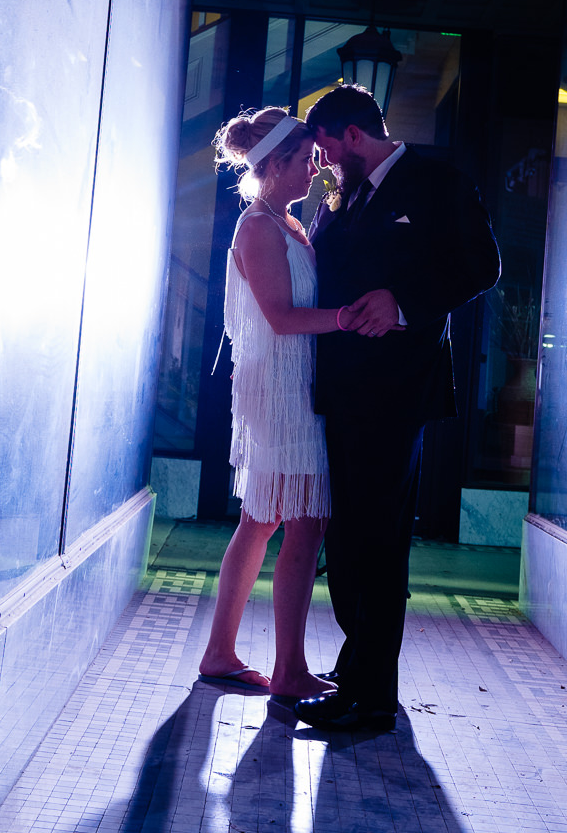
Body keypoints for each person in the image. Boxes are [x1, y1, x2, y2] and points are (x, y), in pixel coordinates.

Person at [294, 84, 501, 732]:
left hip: (398, 392)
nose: (323, 162)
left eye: (327, 147)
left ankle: (372, 697)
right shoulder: (343, 193)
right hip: (341, 392)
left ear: (354, 135)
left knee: (379, 544)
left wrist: (402, 301)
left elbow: (482, 267)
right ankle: (357, 680)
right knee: (351, 542)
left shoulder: (439, 182)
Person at [197, 106, 371, 701]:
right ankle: (287, 670)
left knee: (265, 518)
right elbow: (279, 316)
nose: (314, 166)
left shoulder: (290, 221)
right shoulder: (258, 228)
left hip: (295, 387)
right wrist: (347, 319)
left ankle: (221, 652)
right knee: (303, 521)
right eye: (303, 160)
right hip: (279, 392)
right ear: (273, 165)